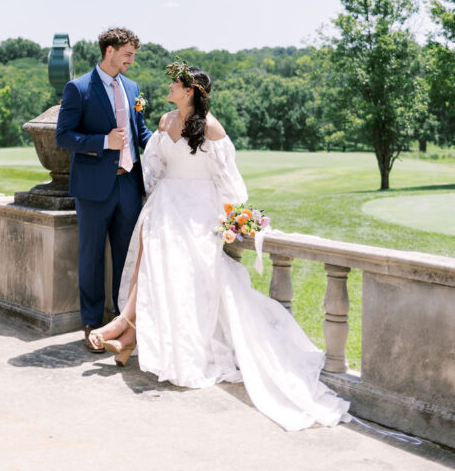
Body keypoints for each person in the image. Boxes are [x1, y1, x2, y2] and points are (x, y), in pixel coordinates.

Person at [89, 61, 351, 432]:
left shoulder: (211, 128)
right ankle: (129, 334)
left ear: (190, 90)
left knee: (180, 274)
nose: (170, 89)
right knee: (154, 268)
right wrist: (158, 200)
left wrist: (233, 220)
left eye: (175, 85)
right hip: (166, 203)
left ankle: (126, 330)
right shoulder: (165, 120)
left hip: (198, 210)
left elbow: (229, 180)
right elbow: (154, 169)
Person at [55, 27, 153, 352]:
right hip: (94, 188)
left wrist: (175, 141)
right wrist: (102, 142)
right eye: (128, 54)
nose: (131, 60)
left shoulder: (133, 87)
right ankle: (92, 324)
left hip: (128, 183)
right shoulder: (78, 88)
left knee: (128, 258)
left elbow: (141, 133)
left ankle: (122, 326)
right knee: (92, 256)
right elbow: (64, 136)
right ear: (109, 51)